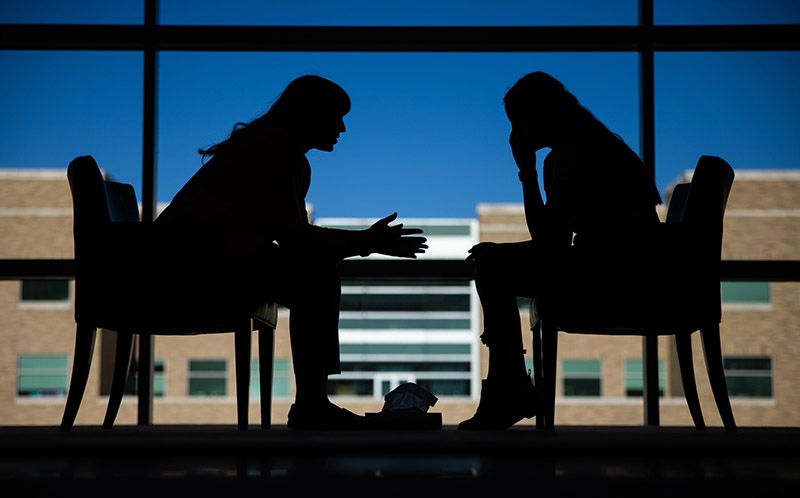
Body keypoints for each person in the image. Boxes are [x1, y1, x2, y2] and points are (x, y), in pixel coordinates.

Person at [156, 75, 427, 429]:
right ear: (310, 114)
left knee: (315, 269)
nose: (342, 128)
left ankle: (312, 403)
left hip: (187, 263)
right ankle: (312, 404)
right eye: (336, 116)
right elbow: (295, 239)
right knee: (316, 274)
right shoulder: (276, 147)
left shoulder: (272, 146)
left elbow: (293, 238)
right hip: (192, 270)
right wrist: (367, 242)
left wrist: (364, 242)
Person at [458, 71, 662, 430]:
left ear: (538, 116)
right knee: (493, 260)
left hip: (613, 277)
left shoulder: (570, 156)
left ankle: (509, 389)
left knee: (491, 266)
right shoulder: (600, 144)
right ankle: (512, 386)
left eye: (518, 122)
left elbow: (549, 241)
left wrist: (526, 171)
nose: (514, 133)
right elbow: (555, 241)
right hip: (634, 270)